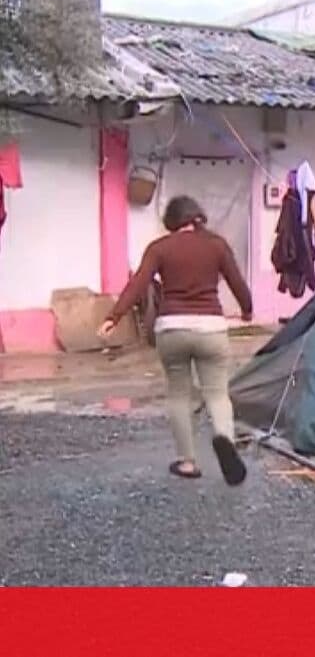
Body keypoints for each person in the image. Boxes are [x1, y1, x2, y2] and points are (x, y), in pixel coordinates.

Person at [97, 196, 253, 485]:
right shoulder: (216, 244)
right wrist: (247, 309)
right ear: (198, 217)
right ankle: (224, 438)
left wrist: (113, 316)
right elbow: (236, 281)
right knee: (217, 393)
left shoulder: (160, 248)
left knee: (179, 393)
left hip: (171, 328)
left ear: (172, 222)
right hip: (211, 327)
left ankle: (187, 462)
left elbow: (138, 283)